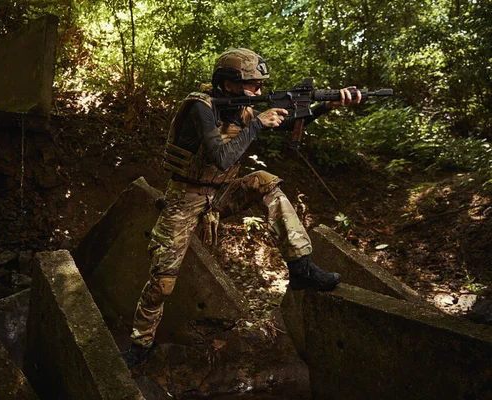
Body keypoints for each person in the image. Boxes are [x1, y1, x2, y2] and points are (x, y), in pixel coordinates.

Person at [122, 48, 362, 367]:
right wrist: (258, 124)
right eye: (254, 85)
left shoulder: (244, 108)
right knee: (162, 282)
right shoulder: (200, 106)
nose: (260, 92)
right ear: (230, 84)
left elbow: (289, 118)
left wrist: (324, 106)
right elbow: (221, 156)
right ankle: (141, 344)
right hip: (185, 198)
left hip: (221, 194)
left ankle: (301, 267)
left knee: (264, 181)